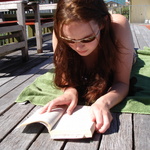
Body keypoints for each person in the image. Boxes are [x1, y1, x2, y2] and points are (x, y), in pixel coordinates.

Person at [40, 0, 136, 133]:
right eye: (70, 40)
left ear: (102, 23)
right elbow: (64, 75)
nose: (78, 47)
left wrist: (104, 102)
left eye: (87, 39)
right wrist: (69, 91)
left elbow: (122, 82)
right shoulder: (61, 31)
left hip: (122, 52)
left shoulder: (118, 26)